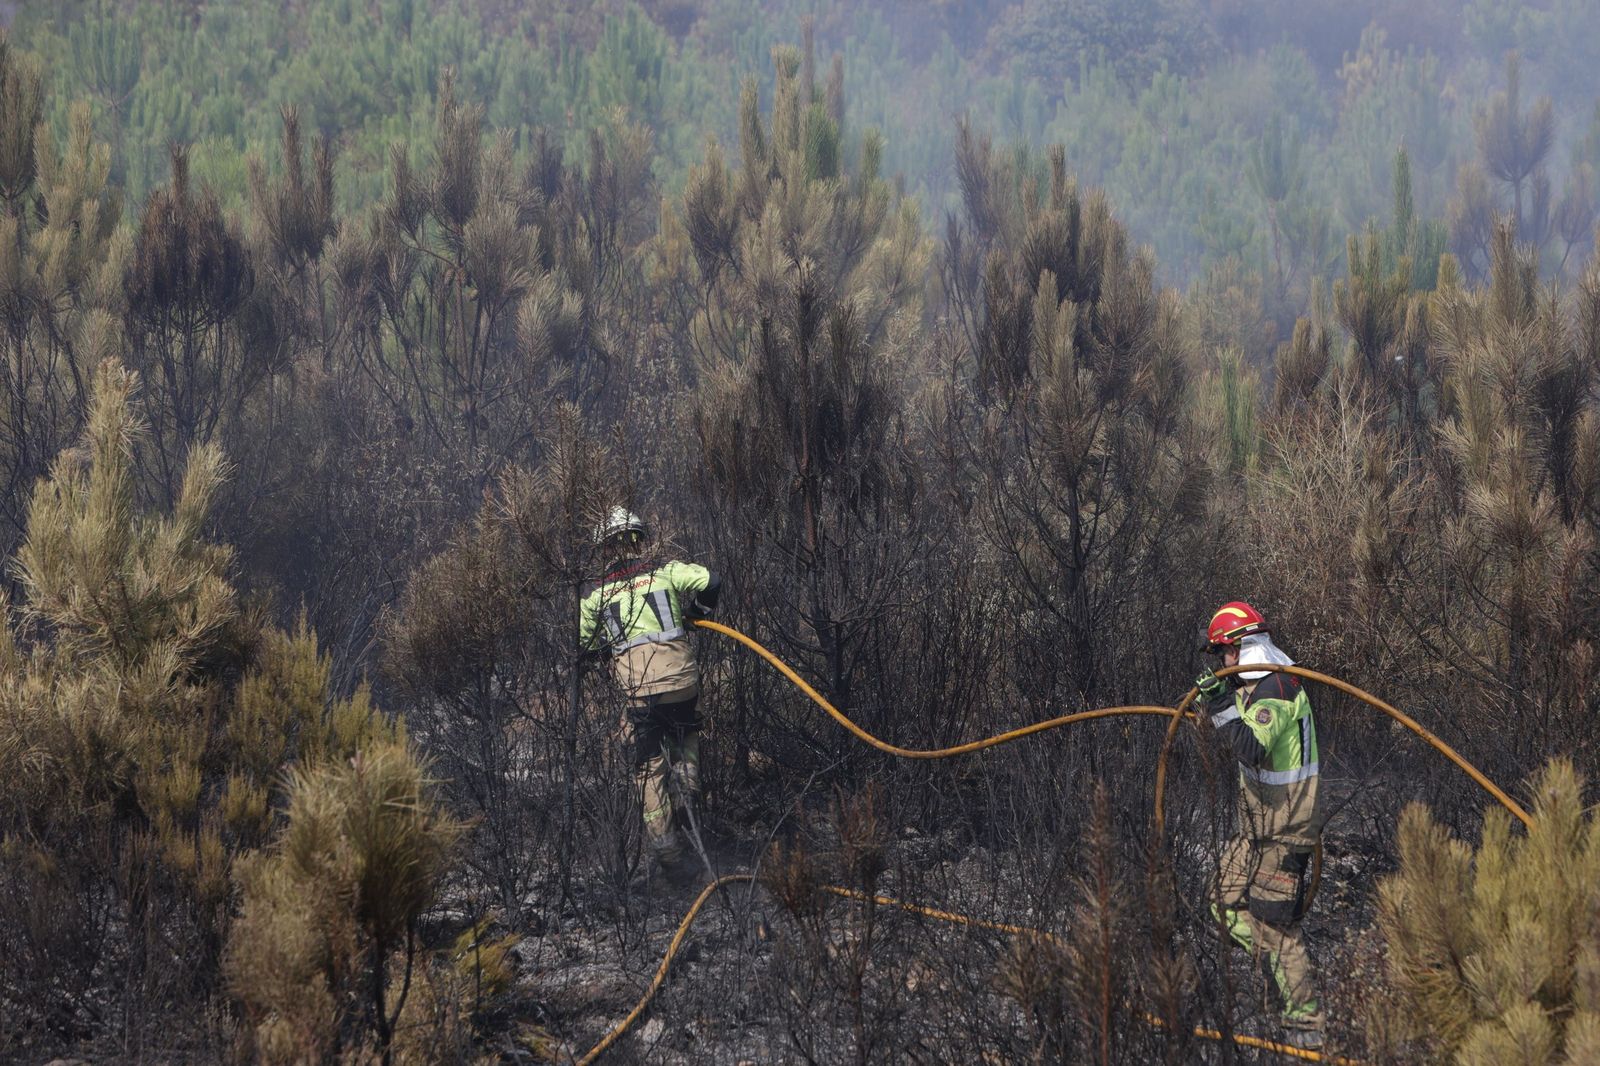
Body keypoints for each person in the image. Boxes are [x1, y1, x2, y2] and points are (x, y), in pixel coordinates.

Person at [1193, 601, 1325, 1049]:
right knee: (1221, 904)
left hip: (1286, 827)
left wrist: (1219, 705)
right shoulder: (1254, 686)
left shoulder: (1279, 688)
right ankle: (1275, 975)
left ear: (1241, 648)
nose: (1221, 663)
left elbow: (1252, 747)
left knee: (1274, 925)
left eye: (1223, 654)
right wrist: (1218, 704)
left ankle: (1305, 1026)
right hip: (1255, 827)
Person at [579, 506, 721, 880]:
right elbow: (712, 580)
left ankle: (669, 854)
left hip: (640, 695)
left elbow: (586, 647)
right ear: (640, 542)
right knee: (686, 734)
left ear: (605, 550)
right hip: (682, 683)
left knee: (647, 769)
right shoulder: (666, 573)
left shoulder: (596, 598)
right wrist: (698, 611)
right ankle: (688, 794)